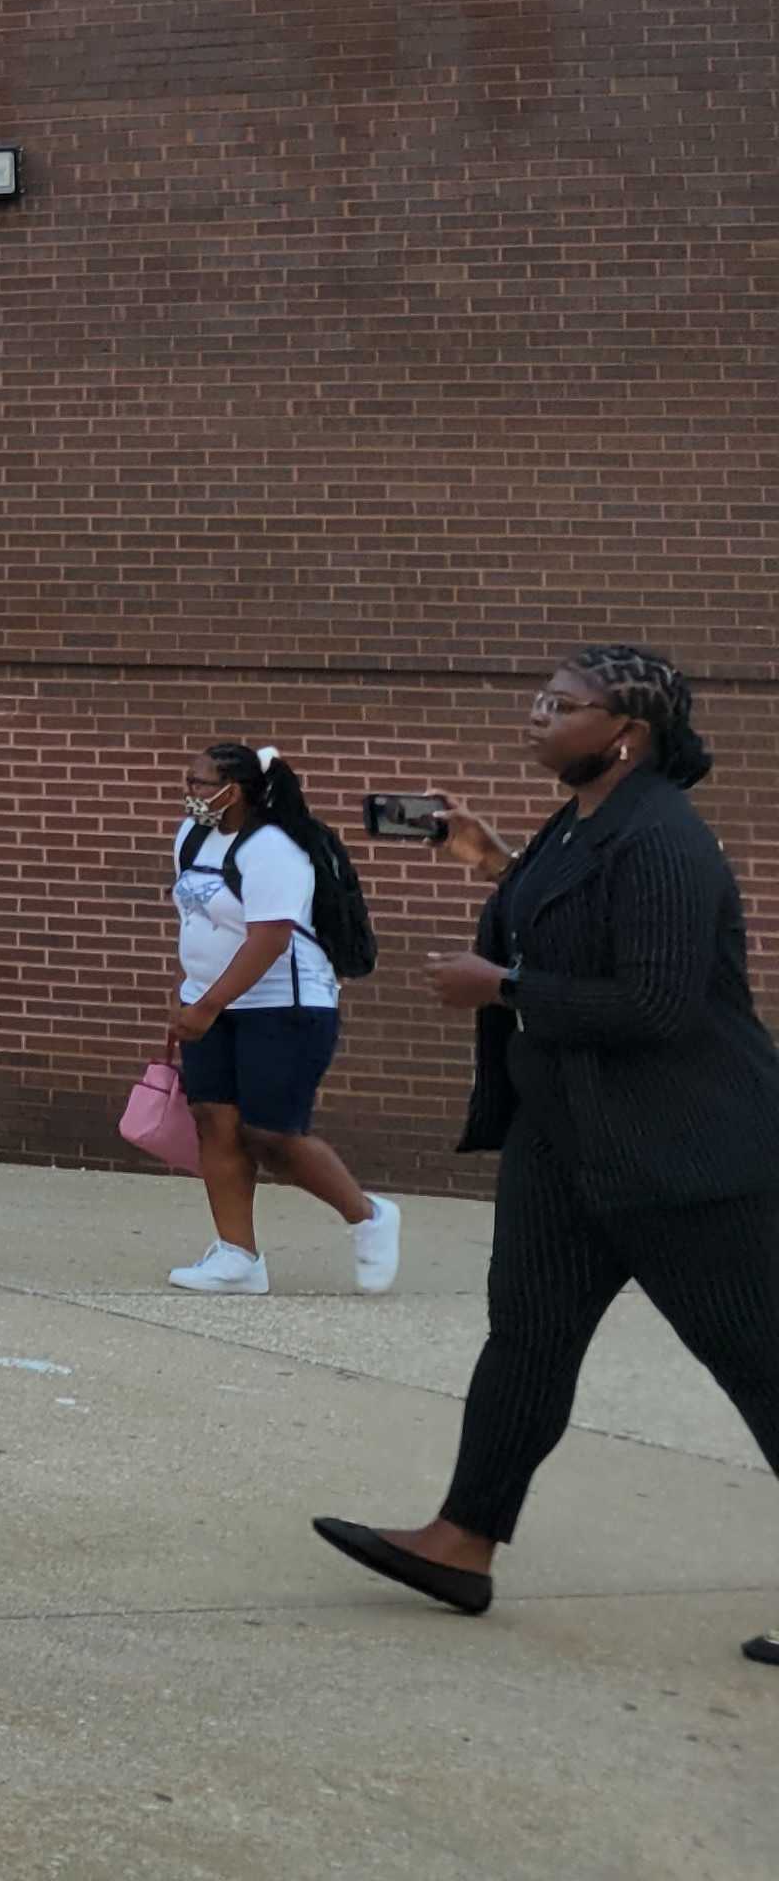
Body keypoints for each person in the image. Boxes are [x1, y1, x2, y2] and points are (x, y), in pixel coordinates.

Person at [313, 647, 779, 1663]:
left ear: (627, 733)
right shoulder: (583, 827)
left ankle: (464, 1538)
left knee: (763, 1364)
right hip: (567, 1148)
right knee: (525, 1344)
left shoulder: (664, 839)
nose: (535, 717)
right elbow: (574, 922)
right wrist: (486, 860)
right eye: (537, 700)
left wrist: (504, 989)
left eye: (560, 706)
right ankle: (461, 1543)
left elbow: (656, 1004)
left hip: (685, 1156)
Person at [161, 742, 396, 1295]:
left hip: (285, 1006)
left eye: (200, 783)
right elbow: (198, 922)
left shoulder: (271, 848)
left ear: (235, 790)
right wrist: (191, 998)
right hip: (211, 1003)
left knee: (270, 1133)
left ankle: (369, 1217)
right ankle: (237, 1257)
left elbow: (270, 938)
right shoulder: (192, 837)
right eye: (189, 781)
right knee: (214, 1122)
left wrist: (207, 1006)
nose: (189, 792)